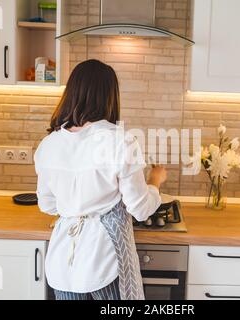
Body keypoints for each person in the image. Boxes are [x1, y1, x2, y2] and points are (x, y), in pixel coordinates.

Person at [34, 59, 167, 300]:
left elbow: (48, 205)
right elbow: (140, 209)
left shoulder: (48, 145)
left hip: (65, 265)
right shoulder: (121, 141)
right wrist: (155, 182)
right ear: (109, 97)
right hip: (104, 260)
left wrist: (75, 205)